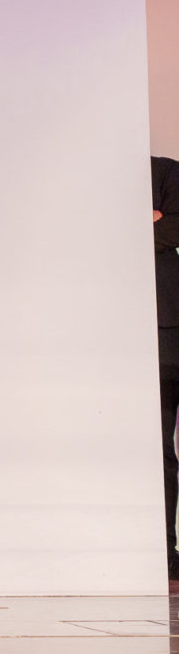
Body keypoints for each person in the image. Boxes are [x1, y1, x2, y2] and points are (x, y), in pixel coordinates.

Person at [153, 156, 179, 578]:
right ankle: (166, 553)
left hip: (168, 325)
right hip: (156, 339)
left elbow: (176, 229)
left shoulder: (165, 170)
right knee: (159, 454)